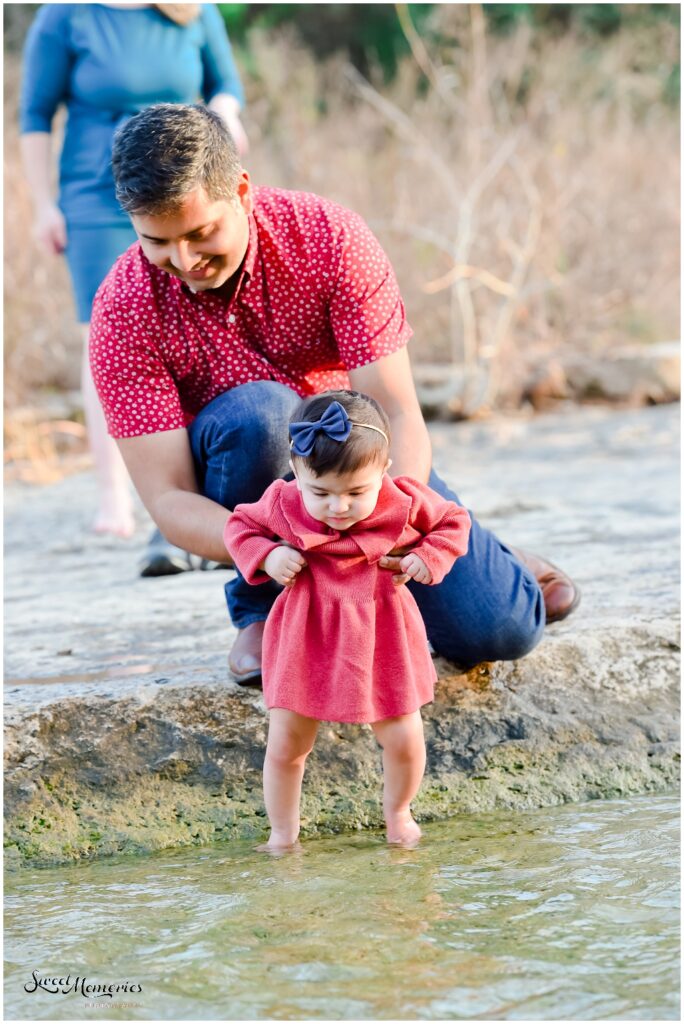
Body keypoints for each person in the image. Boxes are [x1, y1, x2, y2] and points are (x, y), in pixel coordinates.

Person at [89, 102, 580, 686]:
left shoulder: (329, 239)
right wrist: (271, 549)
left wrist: (383, 523)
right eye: (158, 242)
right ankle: (266, 612)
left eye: (200, 234)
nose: (186, 261)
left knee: (498, 631)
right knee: (266, 416)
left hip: (365, 474)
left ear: (242, 191)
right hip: (255, 506)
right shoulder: (122, 311)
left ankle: (503, 565)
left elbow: (396, 412)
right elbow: (169, 501)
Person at [19, 3, 247, 569]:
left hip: (192, 189)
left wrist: (224, 115)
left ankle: (198, 502)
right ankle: (116, 494)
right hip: (98, 196)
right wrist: (43, 203)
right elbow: (35, 114)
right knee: (106, 335)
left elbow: (227, 85)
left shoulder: (191, 10)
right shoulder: (64, 16)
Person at [224, 391, 472, 849]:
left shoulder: (401, 500)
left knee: (403, 736)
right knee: (287, 744)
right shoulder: (282, 502)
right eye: (321, 493)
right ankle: (282, 833)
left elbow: (454, 521)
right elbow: (239, 526)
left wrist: (428, 556)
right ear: (296, 471)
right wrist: (268, 553)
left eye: (357, 492)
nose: (339, 507)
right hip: (307, 631)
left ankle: (399, 814)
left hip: (383, 632)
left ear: (384, 469)